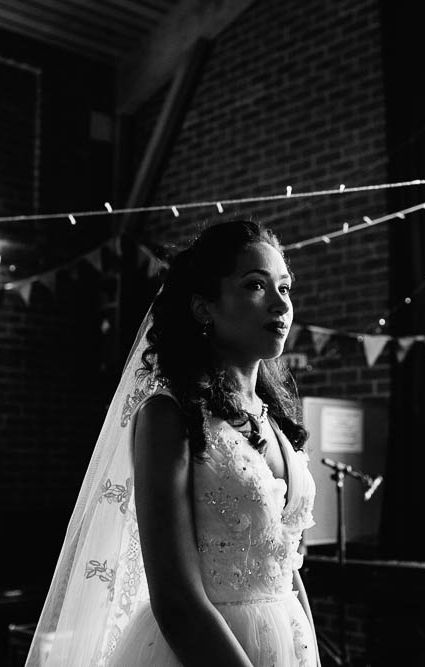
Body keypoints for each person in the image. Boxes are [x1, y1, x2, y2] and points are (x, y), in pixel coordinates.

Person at [26, 221, 320, 666]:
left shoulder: (277, 421)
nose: (281, 302)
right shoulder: (169, 416)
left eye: (285, 287)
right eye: (256, 285)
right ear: (204, 307)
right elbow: (176, 599)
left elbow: (289, 572)